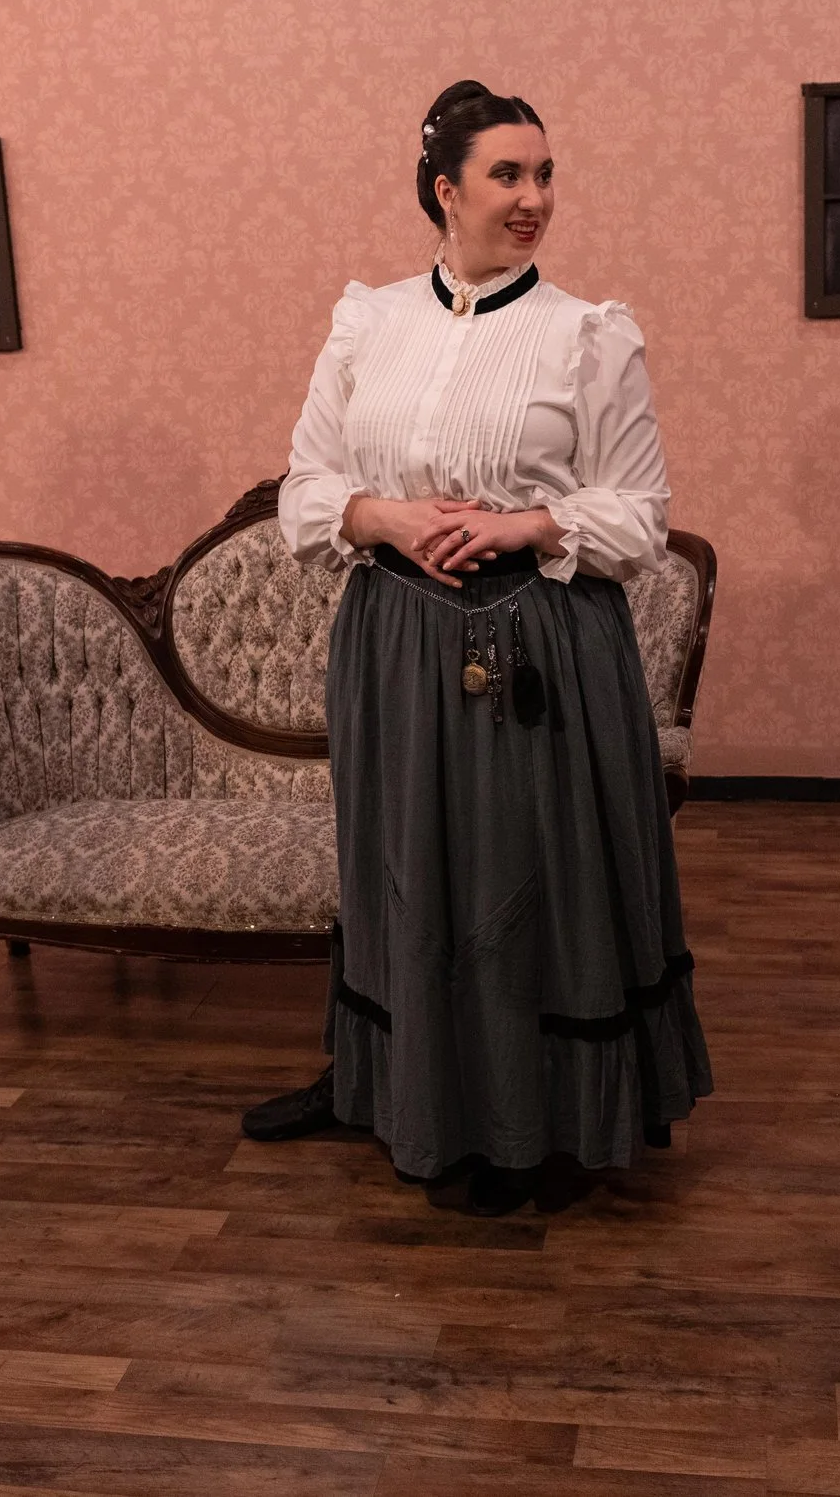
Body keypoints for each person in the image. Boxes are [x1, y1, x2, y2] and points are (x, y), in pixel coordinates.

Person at [241, 80, 713, 1216]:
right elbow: (306, 490)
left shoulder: (586, 335)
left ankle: (525, 1124)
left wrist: (526, 524)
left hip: (536, 642)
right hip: (393, 636)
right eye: (508, 174)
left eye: (544, 174)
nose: (533, 197)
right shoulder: (369, 321)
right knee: (402, 870)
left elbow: (640, 518)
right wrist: (384, 516)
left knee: (520, 882)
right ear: (445, 190)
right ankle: (393, 1086)